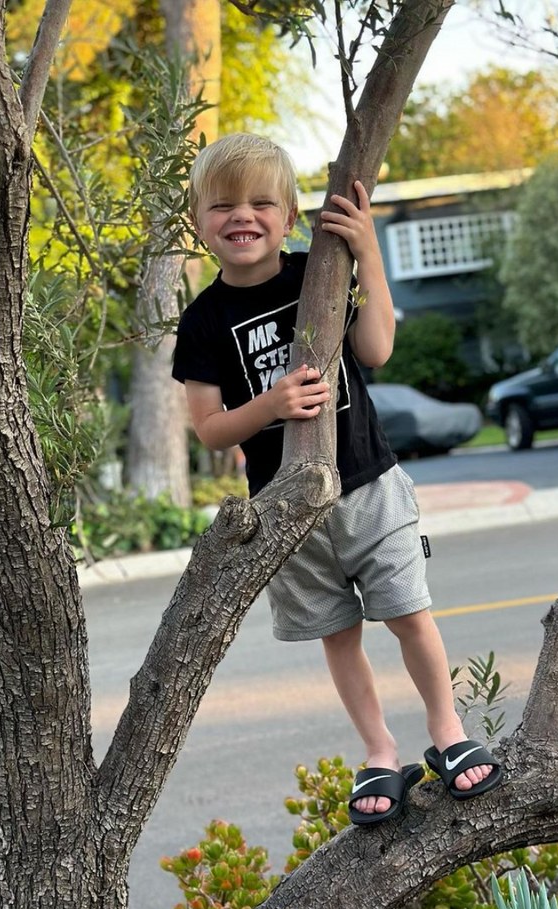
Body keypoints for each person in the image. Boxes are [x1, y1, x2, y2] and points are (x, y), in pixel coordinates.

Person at [171, 132, 501, 825]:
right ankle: (380, 750)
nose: (242, 215)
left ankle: (448, 734)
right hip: (287, 509)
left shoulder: (313, 277)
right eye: (222, 204)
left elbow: (376, 347)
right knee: (338, 633)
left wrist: (369, 257)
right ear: (198, 221)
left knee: (410, 614)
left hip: (370, 485)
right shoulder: (201, 322)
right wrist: (270, 405)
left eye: (262, 202)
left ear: (289, 217)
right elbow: (207, 427)